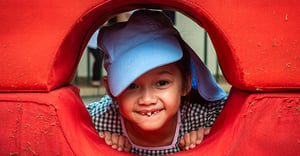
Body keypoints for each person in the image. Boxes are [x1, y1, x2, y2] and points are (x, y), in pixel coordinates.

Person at [87, 10, 227, 155]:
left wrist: (208, 139)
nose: (147, 100)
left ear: (186, 82)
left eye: (162, 83)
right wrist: (100, 144)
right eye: (131, 85)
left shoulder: (202, 120)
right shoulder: (98, 122)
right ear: (110, 89)